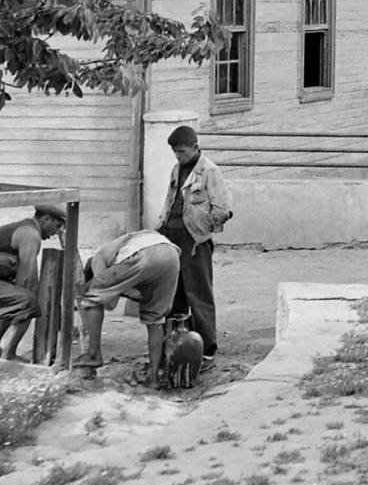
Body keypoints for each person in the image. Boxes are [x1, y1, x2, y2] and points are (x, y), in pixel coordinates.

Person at [158, 125, 232, 367]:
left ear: (195, 148)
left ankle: (207, 349)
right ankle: (177, 346)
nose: (178, 156)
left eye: (181, 152)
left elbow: (222, 209)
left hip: (195, 240)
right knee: (174, 294)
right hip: (171, 236)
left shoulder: (210, 172)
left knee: (198, 293)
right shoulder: (176, 169)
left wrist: (203, 228)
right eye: (175, 152)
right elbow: (169, 201)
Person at [76, 229, 181, 387]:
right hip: (171, 256)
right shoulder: (120, 249)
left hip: (145, 254)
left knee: (94, 298)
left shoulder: (97, 259)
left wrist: (88, 291)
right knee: (155, 319)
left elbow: (109, 302)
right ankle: (153, 378)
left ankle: (93, 354)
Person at [0, 204, 66, 362]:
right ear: (45, 219)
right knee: (28, 301)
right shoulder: (30, 234)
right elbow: (27, 278)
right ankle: (9, 354)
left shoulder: (24, 228)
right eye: (56, 226)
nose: (55, 233)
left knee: (18, 298)